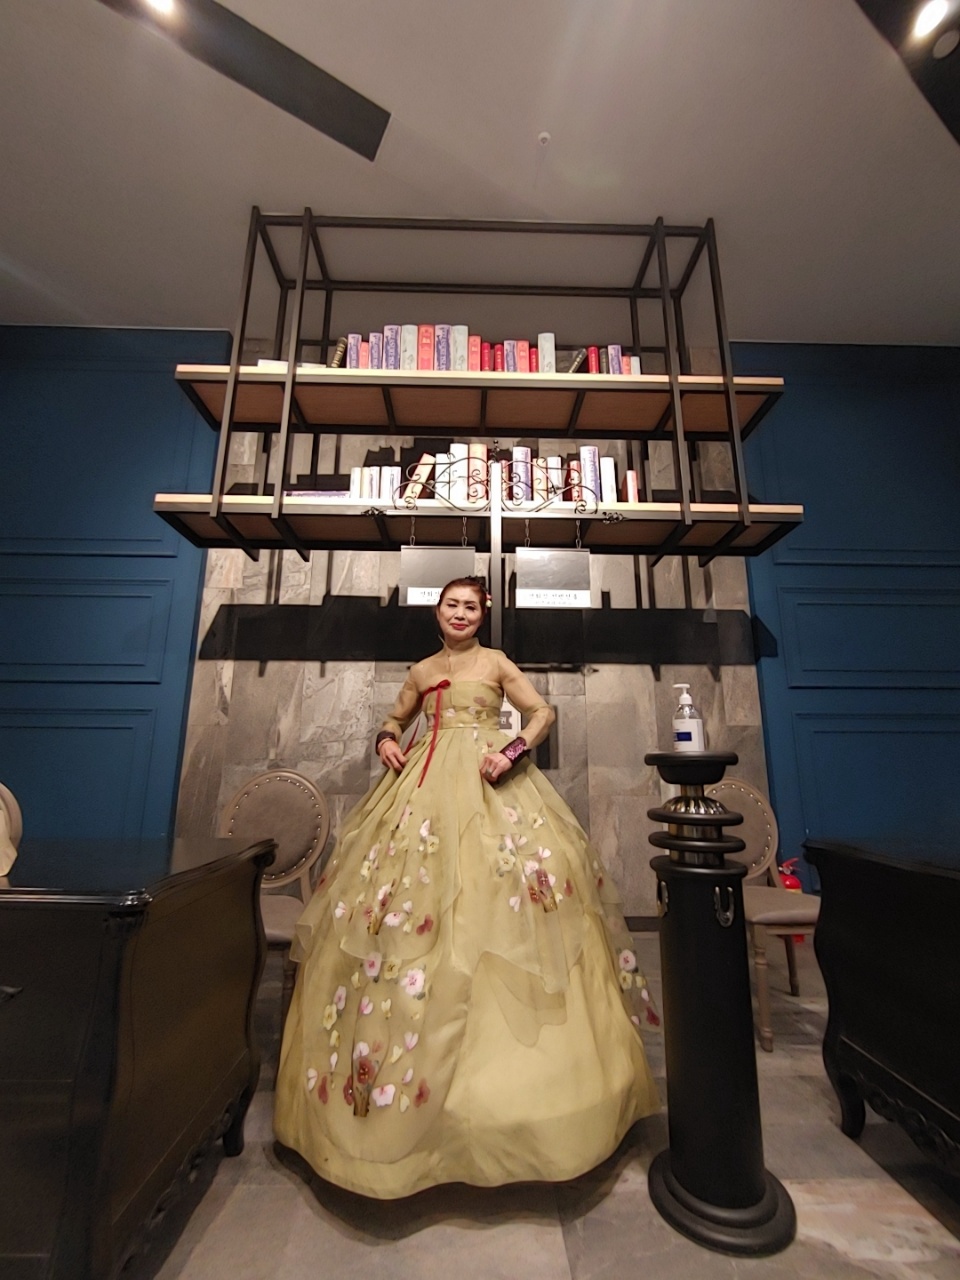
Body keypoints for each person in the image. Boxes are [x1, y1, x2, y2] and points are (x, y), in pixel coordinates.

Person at [274, 576, 660, 1197]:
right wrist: (387, 740)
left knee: (509, 895)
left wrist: (512, 751)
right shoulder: (422, 670)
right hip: (423, 789)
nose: (461, 614)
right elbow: (393, 719)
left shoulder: (497, 662)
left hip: (491, 782)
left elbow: (542, 712)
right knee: (405, 905)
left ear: (483, 614)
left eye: (471, 607)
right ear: (438, 611)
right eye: (452, 605)